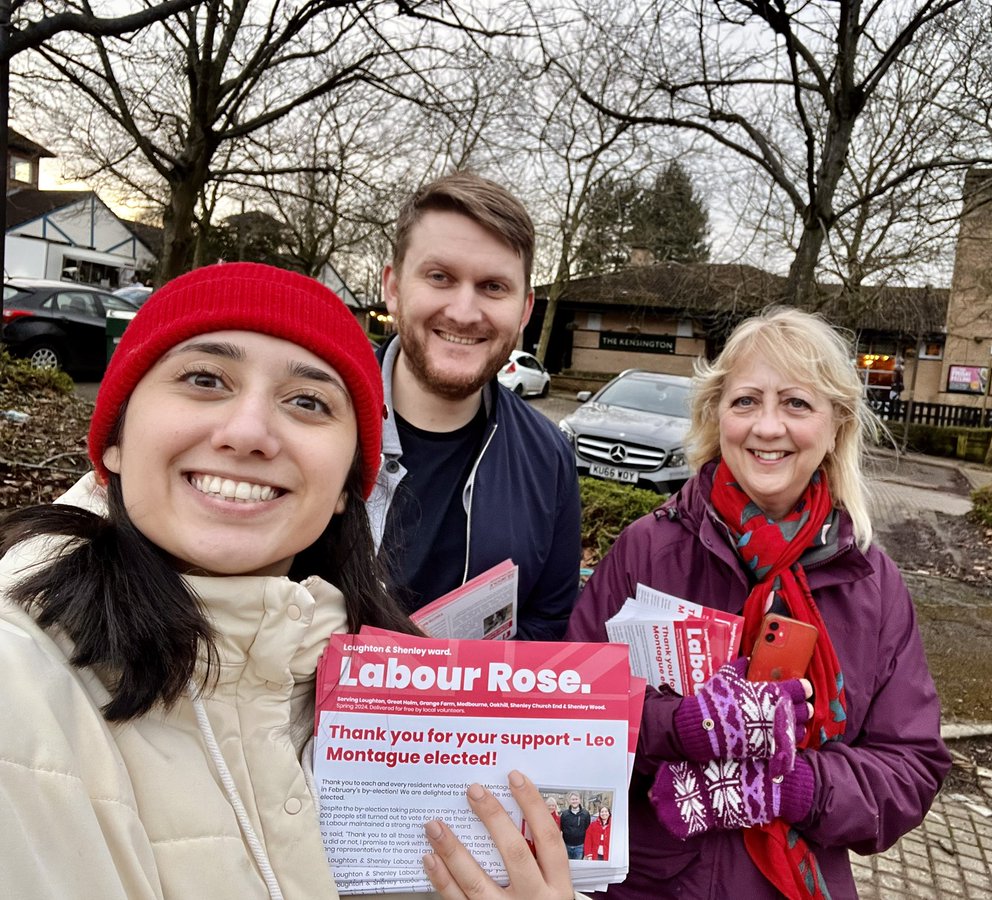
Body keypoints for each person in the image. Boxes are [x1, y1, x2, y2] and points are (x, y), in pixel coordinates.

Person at [0, 262, 574, 900]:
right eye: (204, 378)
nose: (248, 433)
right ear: (113, 441)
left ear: (344, 488)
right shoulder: (20, 683)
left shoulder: (377, 688)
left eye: (307, 401)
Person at [565, 307, 951, 899]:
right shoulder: (650, 548)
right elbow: (568, 718)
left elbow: (910, 767)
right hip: (649, 885)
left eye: (797, 403)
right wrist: (683, 729)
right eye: (746, 401)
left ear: (836, 424)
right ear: (715, 415)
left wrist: (794, 786)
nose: (767, 427)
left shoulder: (872, 583)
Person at [369, 172, 580, 640]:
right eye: (440, 277)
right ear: (394, 287)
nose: (464, 312)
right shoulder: (312, 418)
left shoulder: (550, 460)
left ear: (525, 310)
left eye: (492, 287)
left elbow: (547, 622)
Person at [559, 791, 591, 860]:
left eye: (576, 799)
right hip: (567, 846)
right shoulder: (564, 814)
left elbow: (588, 829)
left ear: (579, 800)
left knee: (577, 867)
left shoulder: (585, 814)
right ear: (569, 801)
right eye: (573, 799)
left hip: (580, 846)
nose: (574, 801)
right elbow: (561, 828)